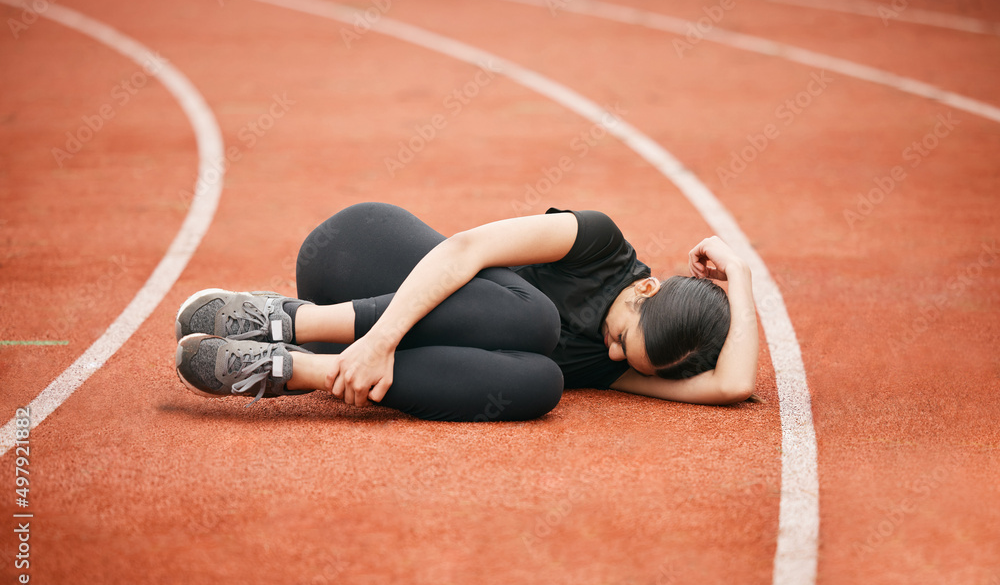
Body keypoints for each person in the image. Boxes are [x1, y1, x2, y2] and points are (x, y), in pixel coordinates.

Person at [174, 202, 758, 421]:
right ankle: (285, 320)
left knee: (542, 384)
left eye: (626, 362)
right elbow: (464, 250)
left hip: (364, 353)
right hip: (359, 255)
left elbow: (734, 385)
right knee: (534, 323)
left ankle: (289, 371)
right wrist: (378, 341)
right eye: (621, 339)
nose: (610, 358)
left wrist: (745, 276)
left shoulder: (625, 363)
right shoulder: (598, 242)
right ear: (646, 289)